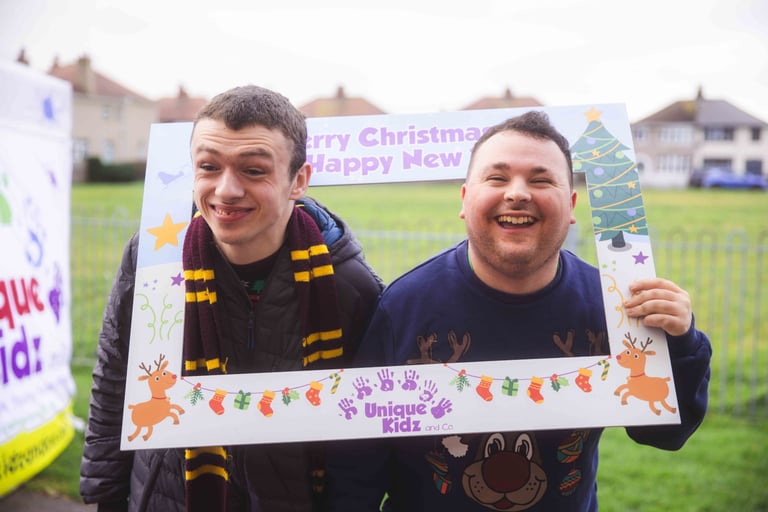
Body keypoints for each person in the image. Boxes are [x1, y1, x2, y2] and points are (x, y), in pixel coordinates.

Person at [326, 111, 712, 511]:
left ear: (573, 203)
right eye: (497, 178)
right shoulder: (404, 306)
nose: (518, 193)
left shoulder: (613, 306)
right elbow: (357, 464)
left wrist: (682, 342)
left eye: (541, 180)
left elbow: (665, 433)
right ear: (464, 199)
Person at [79, 85, 384, 512]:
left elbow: (363, 429)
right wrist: (105, 496)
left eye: (253, 171)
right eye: (208, 167)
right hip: (167, 496)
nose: (226, 190)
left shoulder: (349, 284)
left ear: (299, 180)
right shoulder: (153, 259)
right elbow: (116, 376)